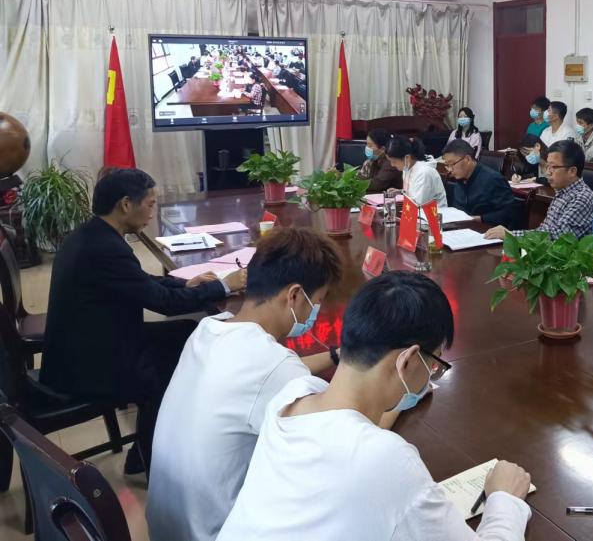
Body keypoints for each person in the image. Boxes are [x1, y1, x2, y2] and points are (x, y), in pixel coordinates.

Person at [217, 271, 533, 541]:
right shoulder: (389, 460)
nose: (432, 374)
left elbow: (351, 432)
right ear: (408, 360)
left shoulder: (292, 398)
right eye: (434, 363)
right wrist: (504, 499)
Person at [147, 228, 355, 541]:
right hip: (214, 533)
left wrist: (336, 356)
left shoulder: (209, 330)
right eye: (318, 301)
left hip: (167, 528)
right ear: (294, 295)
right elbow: (344, 442)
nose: (317, 311)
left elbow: (275, 374)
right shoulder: (274, 367)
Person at [40, 169, 246, 477]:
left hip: (85, 342)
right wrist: (224, 286)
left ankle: (145, 449)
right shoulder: (106, 248)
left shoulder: (92, 234)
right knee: (169, 367)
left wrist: (185, 282)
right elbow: (164, 304)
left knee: (187, 332)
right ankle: (155, 459)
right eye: (150, 204)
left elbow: (139, 281)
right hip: (88, 365)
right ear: (126, 204)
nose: (152, 211)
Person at [485, 141, 593, 241]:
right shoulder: (563, 192)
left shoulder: (581, 198)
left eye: (553, 167)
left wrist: (511, 236)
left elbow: (559, 238)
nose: (548, 172)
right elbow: (544, 230)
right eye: (548, 167)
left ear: (572, 171)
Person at [443, 140, 521, 228]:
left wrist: (479, 219)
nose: (449, 170)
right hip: (462, 229)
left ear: (467, 159)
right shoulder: (459, 178)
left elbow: (509, 213)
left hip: (488, 231)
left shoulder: (493, 179)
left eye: (452, 164)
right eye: (447, 165)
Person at [387, 136, 447, 208]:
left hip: (435, 213)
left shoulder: (424, 172)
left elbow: (418, 203)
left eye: (394, 161)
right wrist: (401, 192)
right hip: (416, 210)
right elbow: (413, 192)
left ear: (407, 158)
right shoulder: (407, 167)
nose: (392, 165)